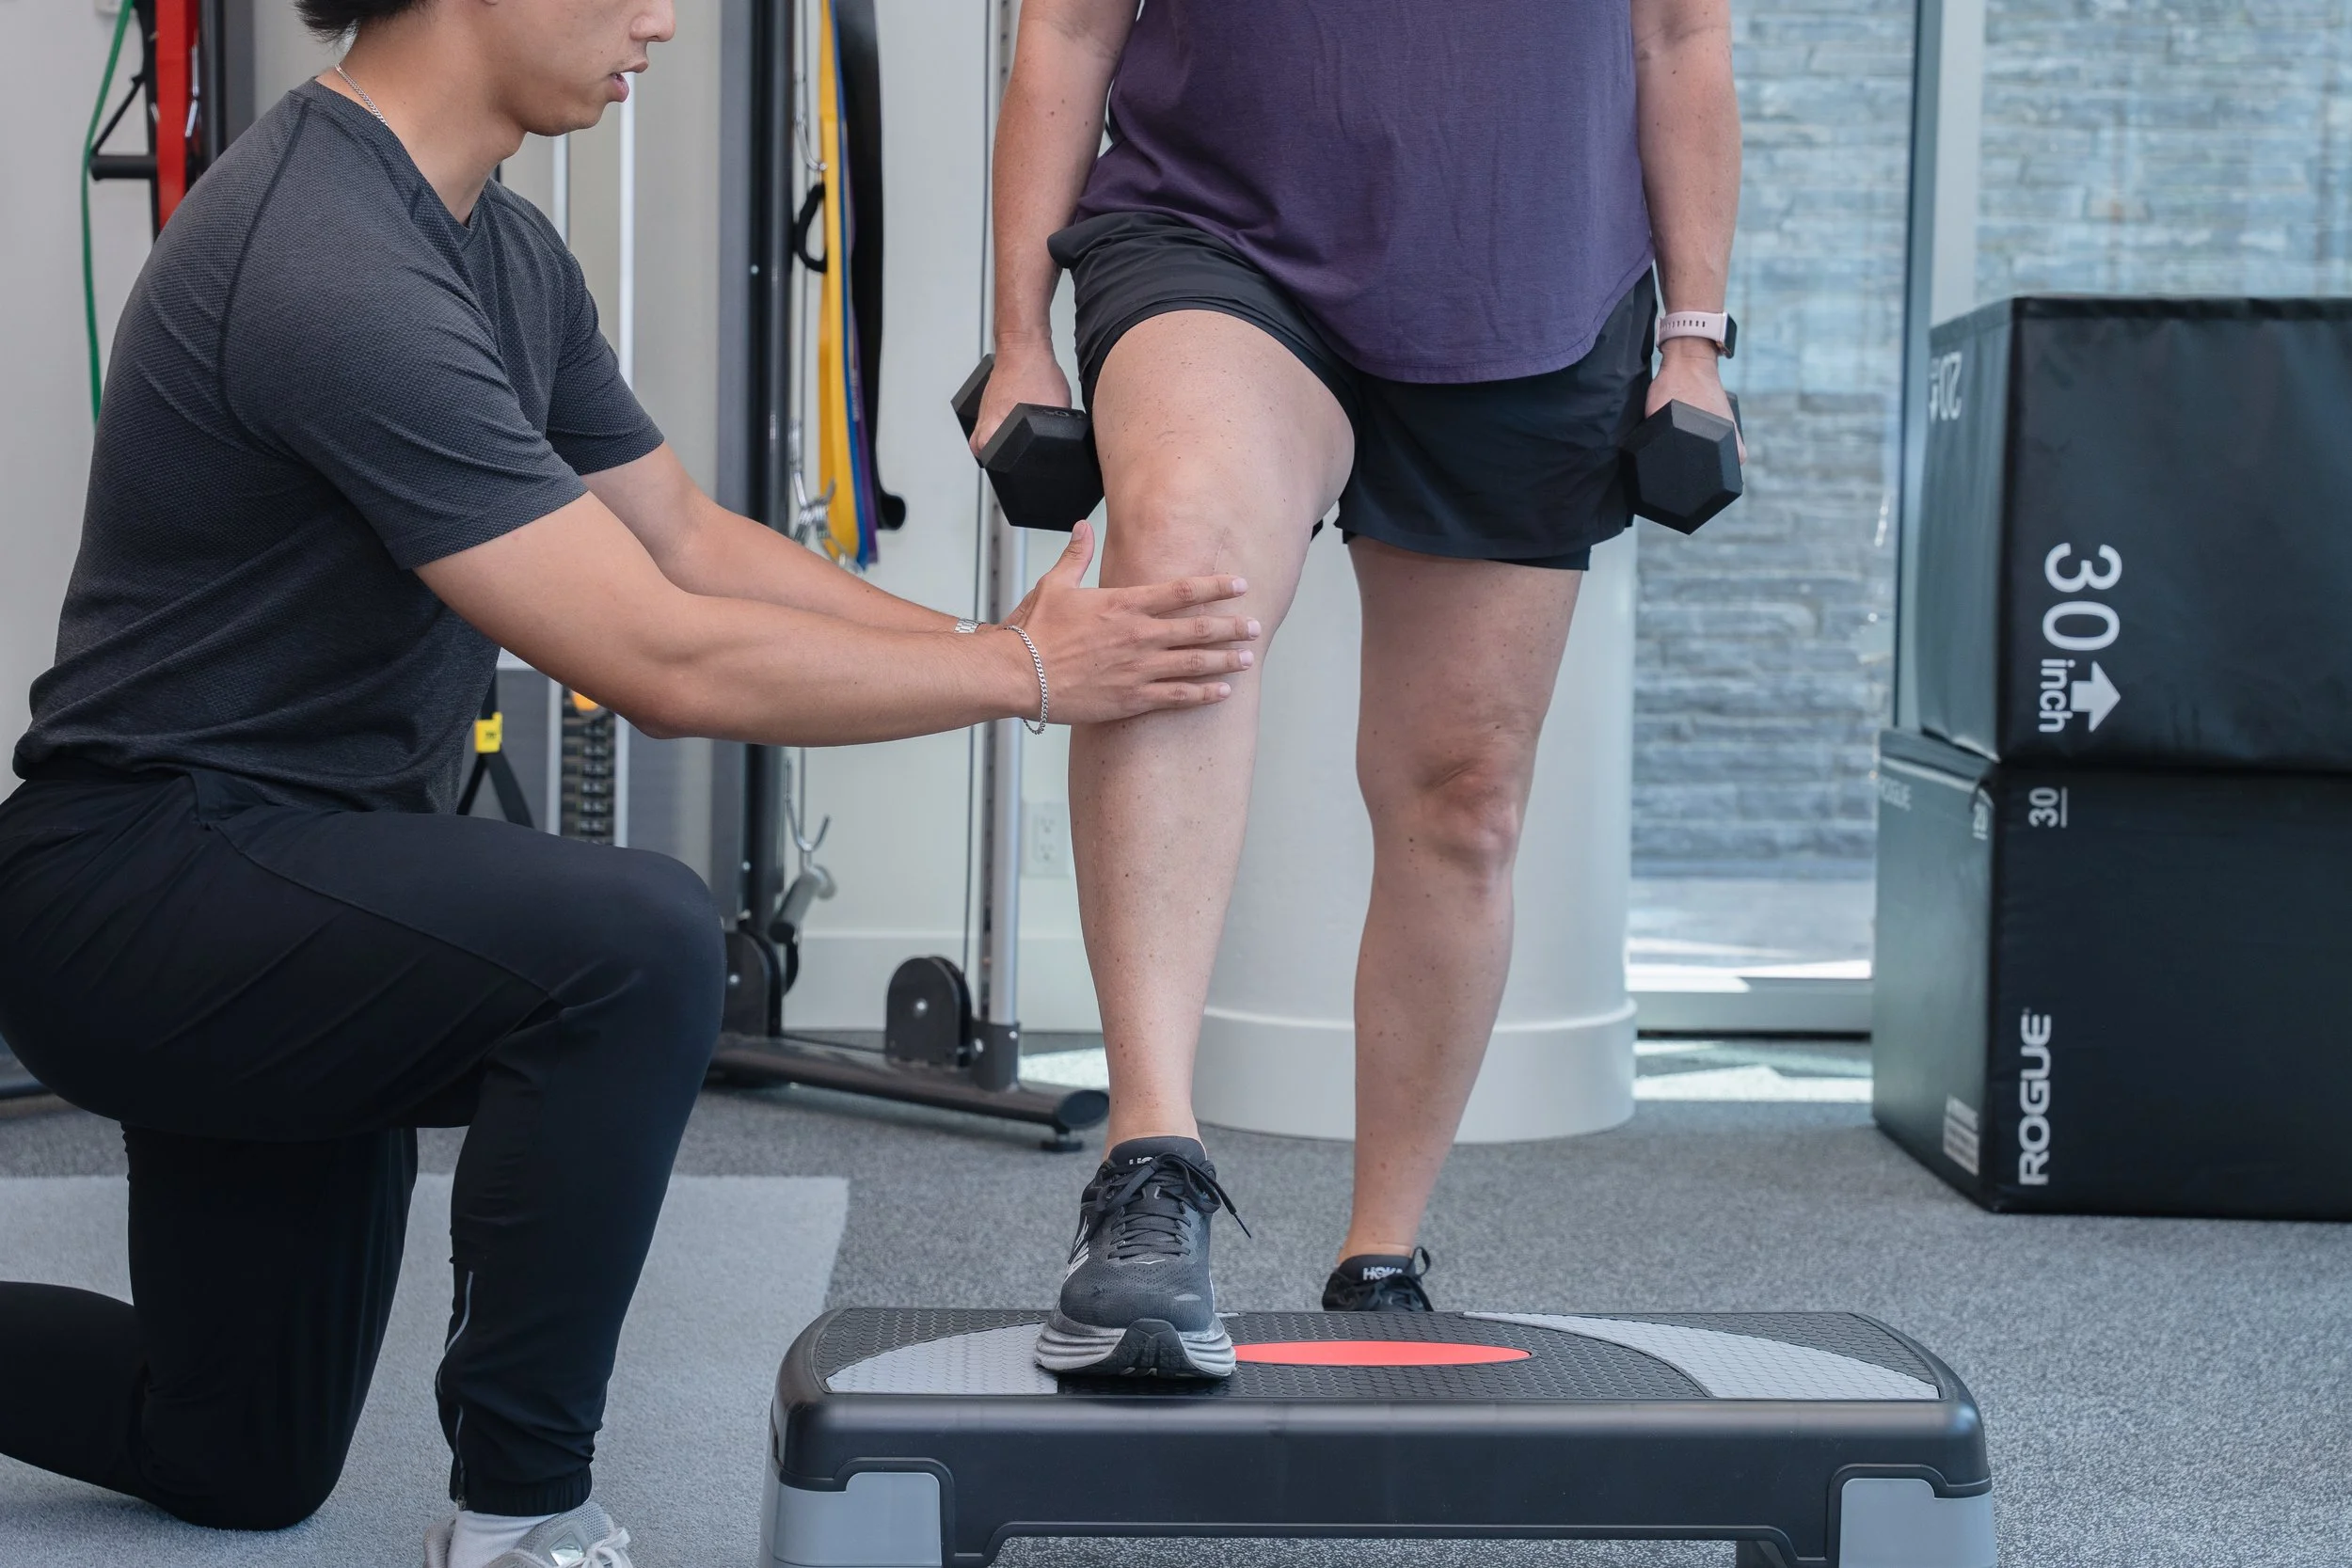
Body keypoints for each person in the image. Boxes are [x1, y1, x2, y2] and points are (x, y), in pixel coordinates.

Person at [0, 0, 1260, 1563]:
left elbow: (679, 536)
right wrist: (1032, 677)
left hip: (307, 885)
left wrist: (998, 640)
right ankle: (524, 1517)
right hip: (145, 888)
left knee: (234, 1449)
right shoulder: (324, 257)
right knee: (634, 948)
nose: (662, 18)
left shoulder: (501, 252)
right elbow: (660, 663)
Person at [975, 0, 1743, 1379]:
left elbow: (1679, 38)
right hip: (1220, 234)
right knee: (1188, 588)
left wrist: (1694, 336)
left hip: (1537, 284)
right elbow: (1074, 29)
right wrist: (1020, 335)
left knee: (1465, 796)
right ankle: (1150, 1164)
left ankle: (1379, 1258)